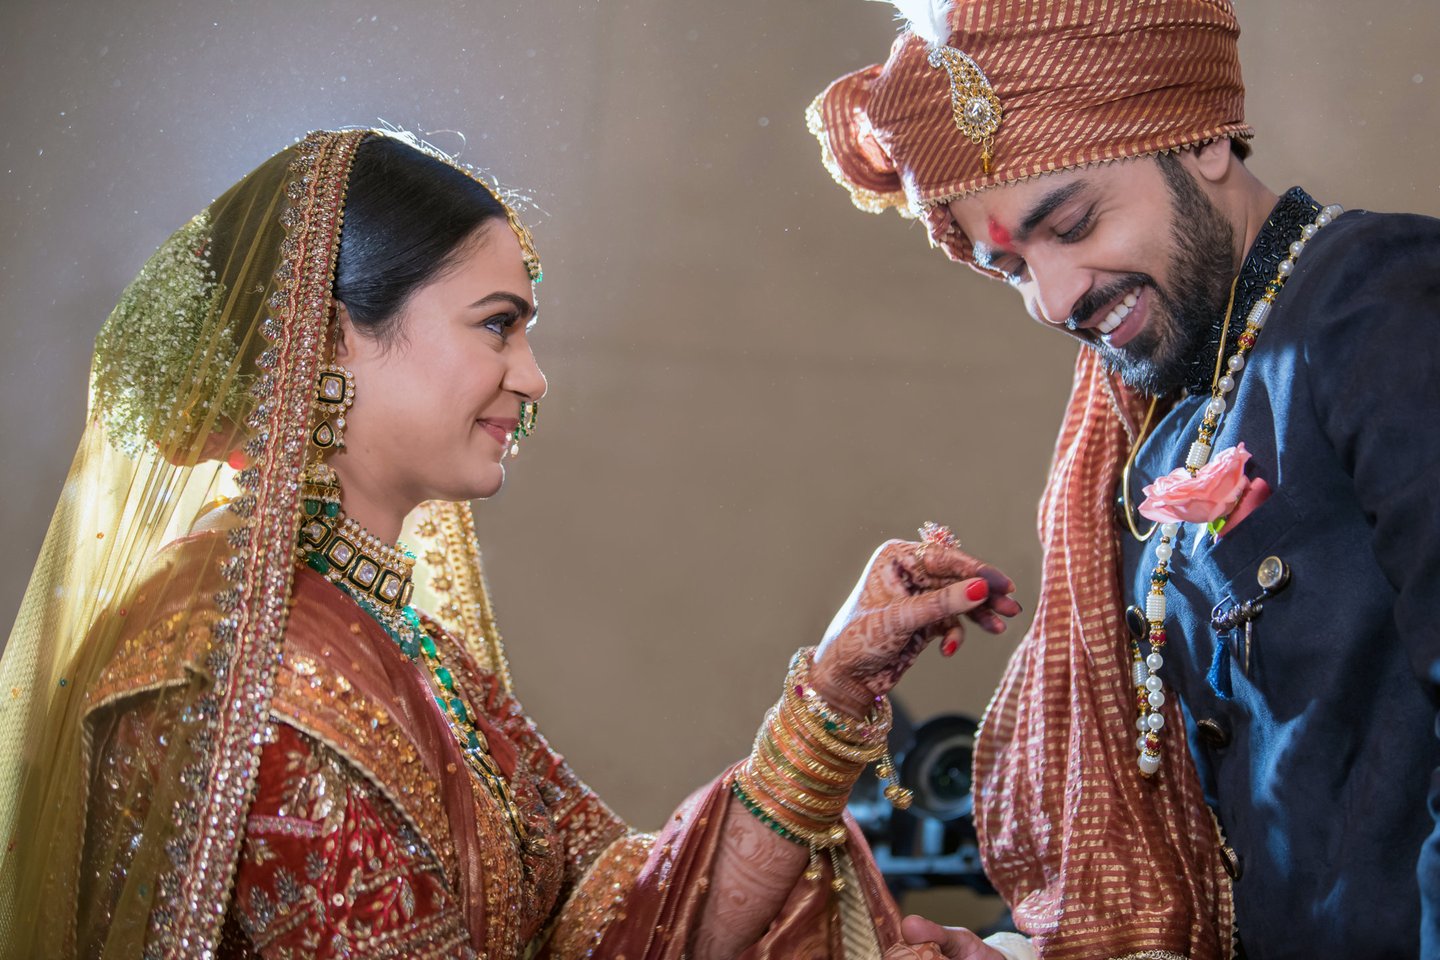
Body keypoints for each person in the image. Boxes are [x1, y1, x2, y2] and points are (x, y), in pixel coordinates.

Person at [0, 129, 1025, 959]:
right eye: (497, 325)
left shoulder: (391, 636)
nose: (533, 379)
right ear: (324, 338)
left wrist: (838, 683)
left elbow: (620, 915)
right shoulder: (251, 678)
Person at [809, 1, 1440, 958]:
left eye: (1071, 222)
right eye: (1012, 267)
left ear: (1203, 143)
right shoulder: (1169, 424)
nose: (1055, 298)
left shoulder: (1381, 302)